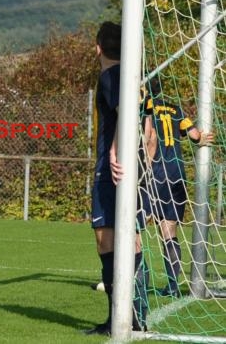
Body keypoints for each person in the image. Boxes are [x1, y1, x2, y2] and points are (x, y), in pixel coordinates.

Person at [87, 22, 148, 335]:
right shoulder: (133, 78)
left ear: (98, 47)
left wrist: (113, 150)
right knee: (132, 239)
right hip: (135, 167)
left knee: (106, 240)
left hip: (112, 170)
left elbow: (126, 111)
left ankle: (119, 320)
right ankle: (135, 316)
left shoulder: (111, 76)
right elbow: (144, 120)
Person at [145, 79, 213, 297]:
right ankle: (173, 285)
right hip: (177, 174)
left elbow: (149, 138)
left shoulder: (144, 106)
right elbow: (194, 136)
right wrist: (203, 137)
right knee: (169, 229)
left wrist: (144, 167)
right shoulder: (174, 108)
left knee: (133, 225)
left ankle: (133, 279)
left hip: (155, 172)